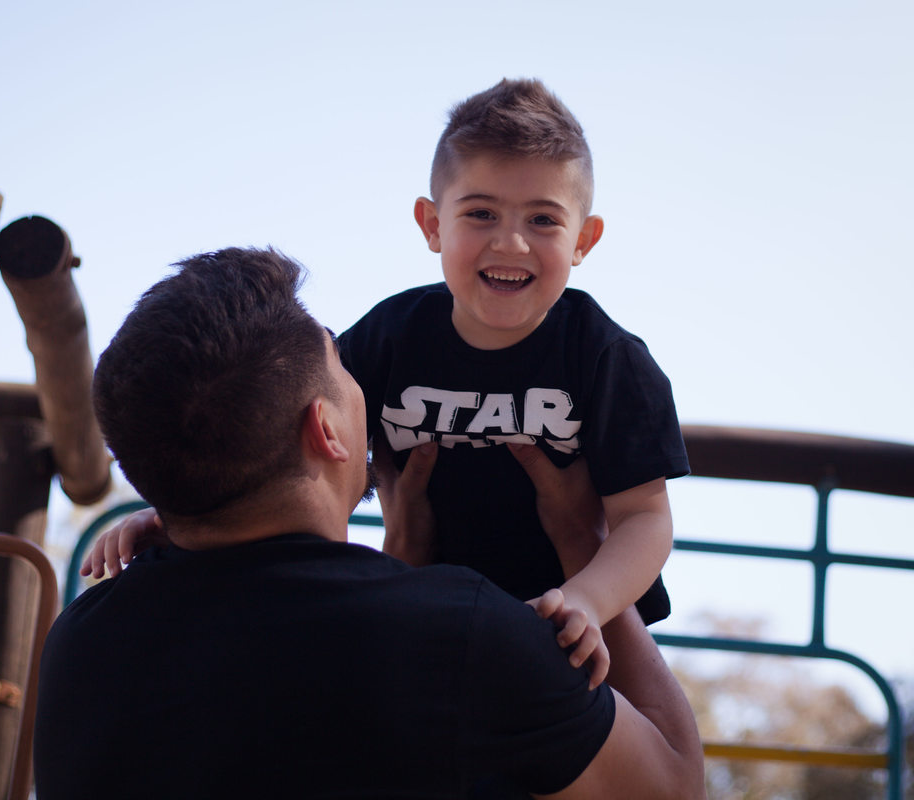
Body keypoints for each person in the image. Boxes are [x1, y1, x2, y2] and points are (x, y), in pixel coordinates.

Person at [35, 247, 705, 798]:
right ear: (325, 428)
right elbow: (673, 786)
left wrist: (401, 559)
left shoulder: (83, 644)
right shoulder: (468, 637)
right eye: (340, 367)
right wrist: (582, 545)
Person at [337, 78, 689, 643]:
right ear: (432, 224)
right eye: (482, 213)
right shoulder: (386, 338)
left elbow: (645, 518)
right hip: (420, 615)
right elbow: (296, 458)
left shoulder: (607, 358)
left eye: (543, 220)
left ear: (584, 240)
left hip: (563, 630)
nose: (511, 243)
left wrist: (586, 600)